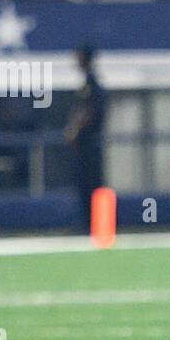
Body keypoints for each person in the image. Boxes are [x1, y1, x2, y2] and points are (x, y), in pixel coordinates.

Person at [65, 45, 107, 229]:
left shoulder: (91, 84)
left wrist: (73, 131)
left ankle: (95, 224)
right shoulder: (87, 83)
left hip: (89, 143)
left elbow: (88, 112)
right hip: (87, 144)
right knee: (86, 184)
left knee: (91, 184)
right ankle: (90, 222)